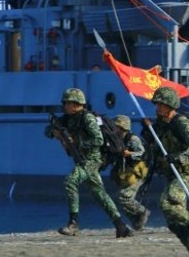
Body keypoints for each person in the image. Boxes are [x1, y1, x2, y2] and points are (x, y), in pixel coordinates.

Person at [43, 88, 133, 238]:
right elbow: (48, 130)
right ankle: (121, 227)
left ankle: (73, 223)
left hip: (93, 159)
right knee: (99, 193)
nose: (65, 106)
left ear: (78, 104)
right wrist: (55, 133)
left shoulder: (87, 119)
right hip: (81, 159)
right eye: (65, 103)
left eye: (69, 103)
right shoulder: (67, 119)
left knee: (70, 181)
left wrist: (77, 141)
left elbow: (98, 139)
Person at [146, 86, 189, 257]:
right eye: (157, 104)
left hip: (186, 172)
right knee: (173, 222)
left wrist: (180, 158)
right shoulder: (160, 125)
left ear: (170, 105)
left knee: (167, 202)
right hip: (171, 174)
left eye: (161, 105)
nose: (157, 108)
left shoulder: (180, 122)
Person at [110, 115, 151, 231]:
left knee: (124, 197)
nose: (115, 129)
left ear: (123, 127)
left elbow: (142, 153)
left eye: (117, 127)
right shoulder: (117, 139)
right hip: (126, 174)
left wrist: (130, 154)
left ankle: (142, 211)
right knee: (122, 200)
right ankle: (137, 220)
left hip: (137, 174)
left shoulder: (133, 139)